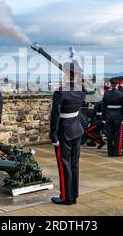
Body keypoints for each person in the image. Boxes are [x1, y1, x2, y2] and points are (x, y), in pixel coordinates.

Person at [50, 61, 86, 205]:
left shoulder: (60, 92)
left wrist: (53, 134)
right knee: (74, 164)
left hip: (63, 132)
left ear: (66, 74)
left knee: (64, 164)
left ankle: (66, 197)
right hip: (77, 130)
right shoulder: (81, 90)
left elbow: (55, 116)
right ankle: (74, 195)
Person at [102, 77, 123, 157]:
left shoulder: (106, 93)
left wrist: (103, 118)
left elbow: (104, 106)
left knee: (109, 135)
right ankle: (117, 152)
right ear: (117, 84)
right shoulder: (121, 94)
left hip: (109, 116)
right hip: (118, 116)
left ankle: (110, 152)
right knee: (117, 135)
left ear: (111, 84)